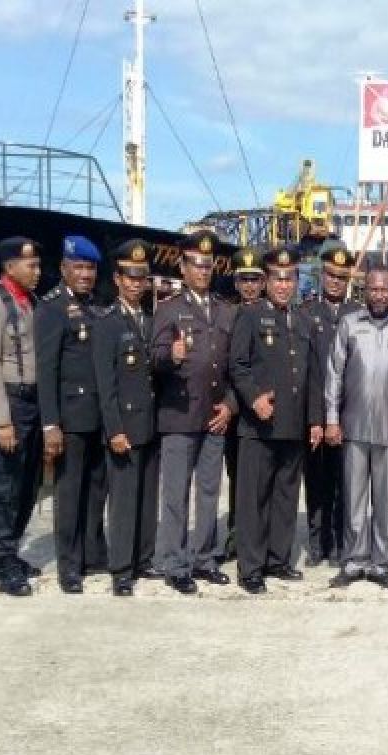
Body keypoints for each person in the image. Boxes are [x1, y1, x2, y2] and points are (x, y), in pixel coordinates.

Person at [229, 246, 324, 593]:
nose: (284, 285)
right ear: (267, 280)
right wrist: (254, 398)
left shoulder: (303, 320)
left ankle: (278, 559)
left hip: (293, 425)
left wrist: (315, 420)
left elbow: (313, 374)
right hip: (259, 426)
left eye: (290, 278)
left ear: (297, 281)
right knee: (254, 499)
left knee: (286, 496)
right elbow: (236, 365)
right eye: (278, 278)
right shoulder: (250, 316)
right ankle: (251, 568)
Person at [327, 268, 388, 590]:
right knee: (354, 498)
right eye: (373, 289)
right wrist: (331, 419)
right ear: (364, 291)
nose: (379, 295)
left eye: (385, 289)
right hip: (353, 427)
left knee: (386, 500)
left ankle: (382, 563)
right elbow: (335, 374)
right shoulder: (350, 324)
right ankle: (354, 561)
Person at [150, 231, 236, 594]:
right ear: (183, 267)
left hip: (214, 415)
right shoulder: (168, 309)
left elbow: (237, 366)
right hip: (179, 414)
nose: (203, 271)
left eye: (208, 265)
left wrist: (231, 405)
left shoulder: (224, 309)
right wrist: (172, 356)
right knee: (175, 494)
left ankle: (203, 558)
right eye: (196, 265)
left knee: (208, 491)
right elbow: (153, 360)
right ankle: (174, 562)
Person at [35, 235, 108, 593]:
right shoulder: (51, 309)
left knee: (97, 488)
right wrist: (50, 424)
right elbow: (46, 371)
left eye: (90, 268)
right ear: (64, 268)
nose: (85, 274)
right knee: (69, 492)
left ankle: (93, 553)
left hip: (99, 415)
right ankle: (68, 565)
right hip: (70, 416)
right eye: (78, 267)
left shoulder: (97, 306)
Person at [0, 236, 44, 597]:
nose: (37, 271)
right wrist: (2, 420)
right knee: (4, 486)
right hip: (11, 403)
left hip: (33, 402)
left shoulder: (29, 301)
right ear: (9, 267)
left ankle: (12, 551)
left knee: (28, 483)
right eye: (30, 265)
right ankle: (2, 561)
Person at [92, 239, 160, 596]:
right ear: (117, 279)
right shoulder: (107, 322)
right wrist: (114, 429)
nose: (136, 284)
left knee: (147, 497)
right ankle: (121, 568)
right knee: (123, 500)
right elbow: (105, 385)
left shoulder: (149, 319)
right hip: (125, 426)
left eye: (141, 278)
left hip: (149, 424)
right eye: (129, 278)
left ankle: (143, 559)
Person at [303, 242, 362, 566]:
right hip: (315, 414)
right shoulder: (307, 313)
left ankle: (340, 543)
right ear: (321, 274)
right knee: (316, 482)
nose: (336, 281)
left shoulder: (358, 314)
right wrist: (316, 418)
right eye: (330, 274)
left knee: (344, 482)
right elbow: (308, 372)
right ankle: (317, 544)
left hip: (348, 415)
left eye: (342, 275)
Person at [222, 247, 266, 559]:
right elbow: (224, 366)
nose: (249, 286)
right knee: (236, 475)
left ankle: (259, 535)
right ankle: (237, 534)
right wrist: (230, 405)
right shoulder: (225, 315)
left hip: (260, 410)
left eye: (255, 279)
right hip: (230, 411)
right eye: (244, 280)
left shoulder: (271, 314)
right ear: (235, 283)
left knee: (260, 479)